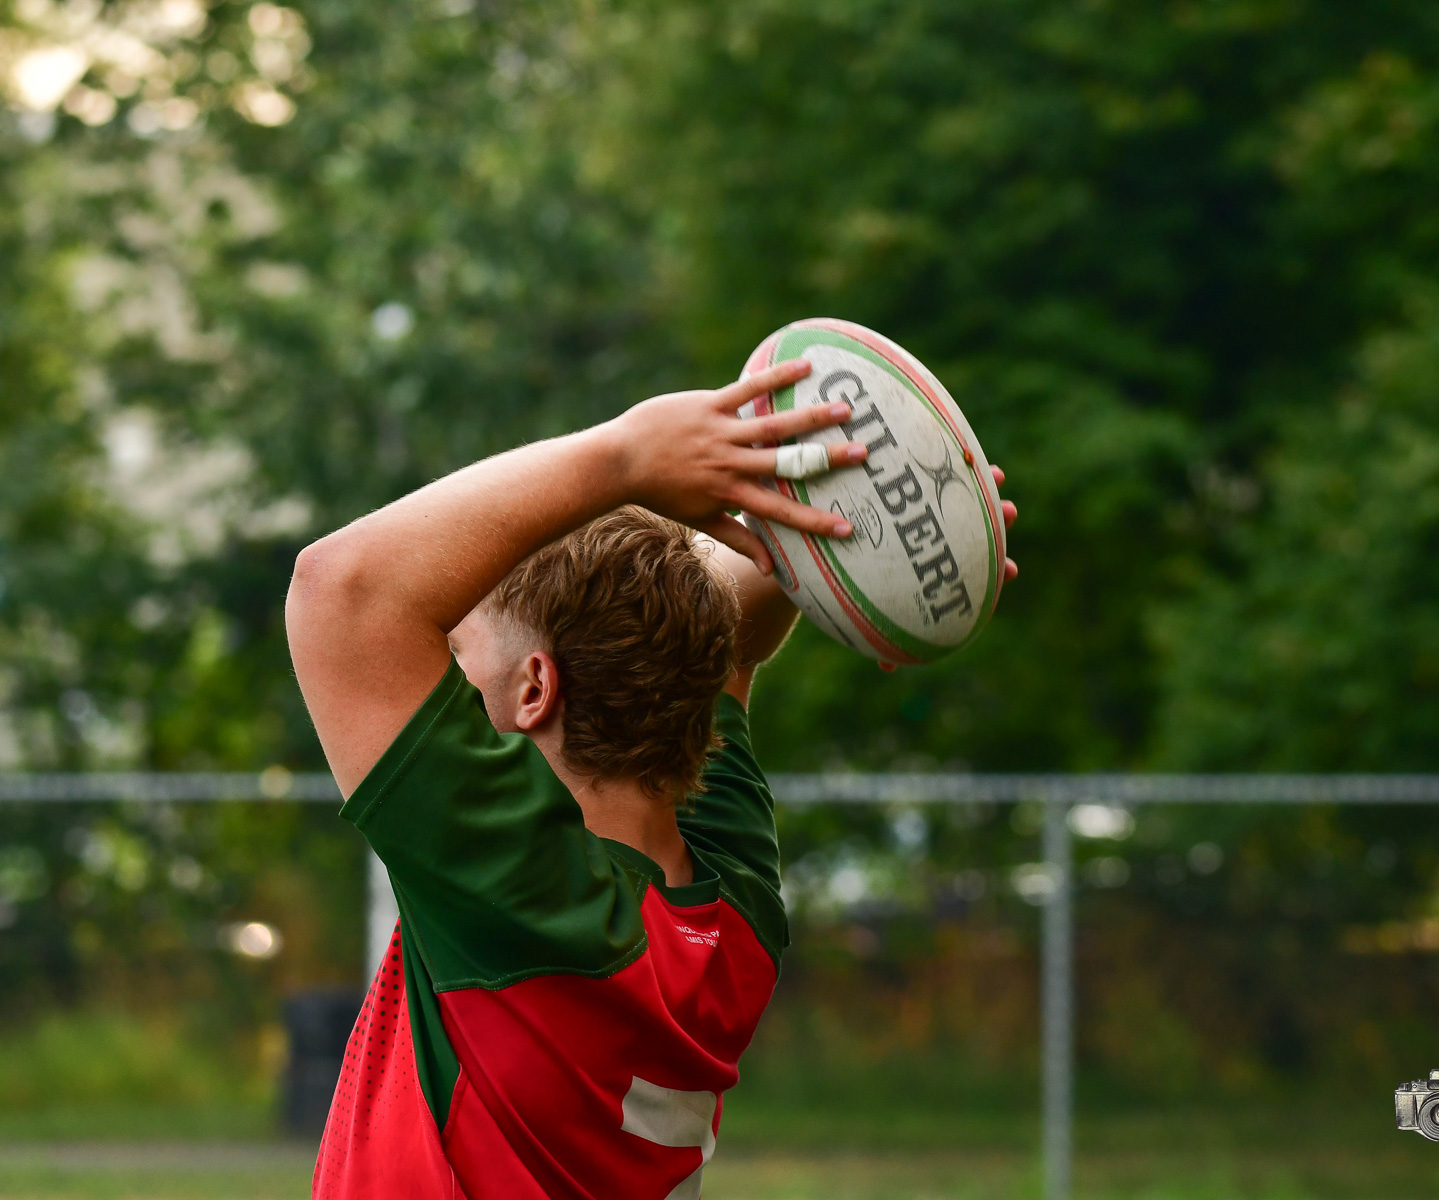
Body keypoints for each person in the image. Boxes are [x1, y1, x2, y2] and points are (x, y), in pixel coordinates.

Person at [285, 357, 1016, 1199]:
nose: (443, 664)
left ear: (534, 688)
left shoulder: (517, 898)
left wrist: (627, 456)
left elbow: (337, 592)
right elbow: (728, 641)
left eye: (457, 647)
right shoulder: (730, 907)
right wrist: (865, 535)